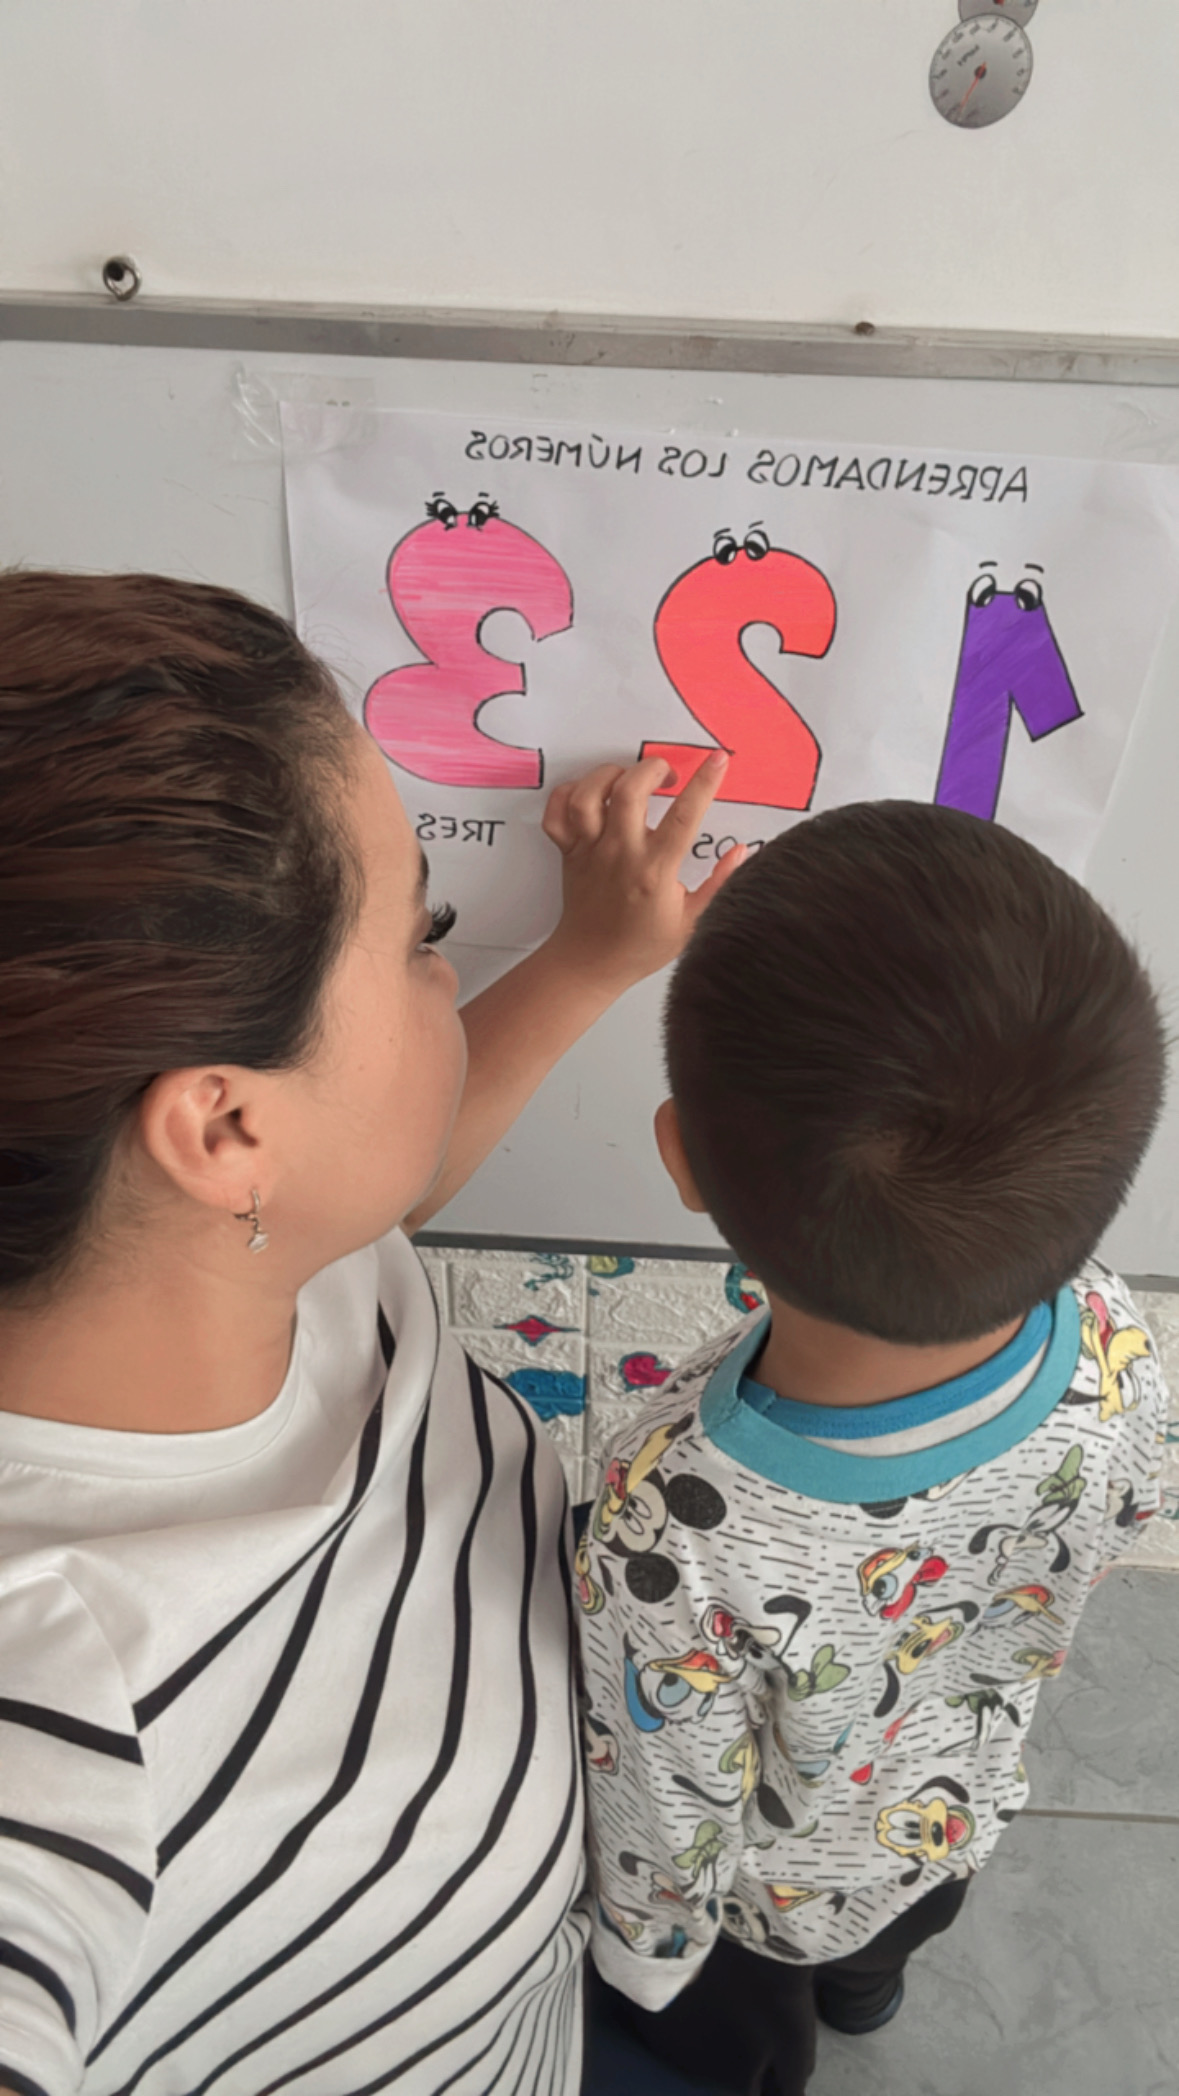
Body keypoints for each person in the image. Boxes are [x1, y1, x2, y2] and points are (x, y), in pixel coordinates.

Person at [0, 570, 745, 2096]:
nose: (445, 971)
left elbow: (367, 1203)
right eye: (425, 933)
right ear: (225, 1128)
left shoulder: (238, 1246)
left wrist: (588, 961)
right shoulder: (53, 1703)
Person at [577, 802, 1169, 2096]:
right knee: (882, 1955)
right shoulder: (1112, 1327)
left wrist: (644, 1958)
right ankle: (872, 1990)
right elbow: (1119, 1515)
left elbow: (662, 1804)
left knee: (750, 2045)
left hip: (765, 1911)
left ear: (680, 1161)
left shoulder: (668, 1514)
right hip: (954, 1821)